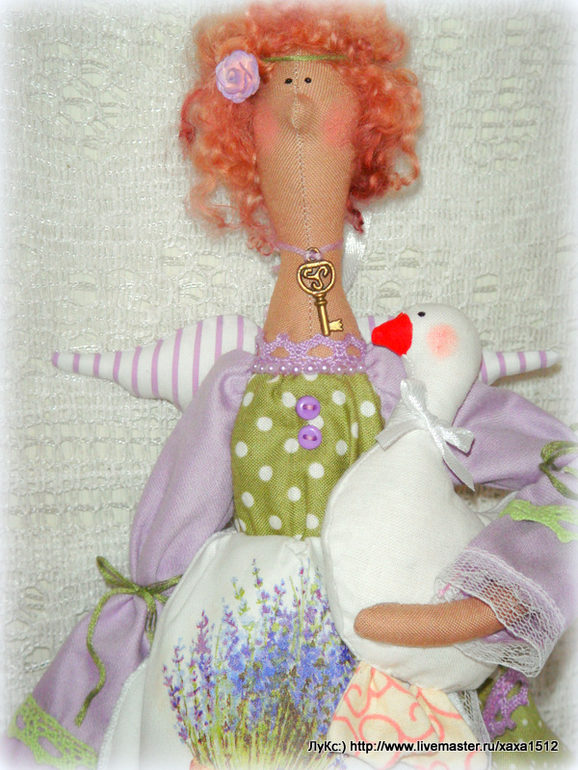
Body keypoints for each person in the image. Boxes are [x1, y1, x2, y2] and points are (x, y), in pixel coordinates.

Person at [7, 3, 576, 768]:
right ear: (246, 147)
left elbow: (552, 462)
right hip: (242, 614)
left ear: (363, 144)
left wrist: (494, 592)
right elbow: (169, 535)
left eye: (321, 95)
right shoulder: (236, 386)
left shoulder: (398, 386)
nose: (300, 103)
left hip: (379, 612)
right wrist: (146, 598)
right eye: (280, 100)